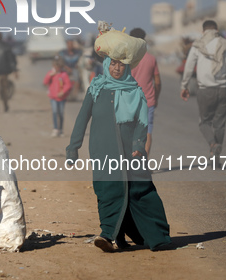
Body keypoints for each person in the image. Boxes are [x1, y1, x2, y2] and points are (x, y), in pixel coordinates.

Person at [66, 45, 171, 252]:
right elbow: (82, 119)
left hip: (130, 151)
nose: (117, 68)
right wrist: (73, 148)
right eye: (113, 64)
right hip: (103, 149)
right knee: (107, 190)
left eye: (121, 65)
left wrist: (139, 144)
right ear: (107, 64)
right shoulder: (96, 88)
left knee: (139, 192)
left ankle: (155, 235)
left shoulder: (135, 90)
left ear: (127, 68)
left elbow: (142, 121)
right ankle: (108, 234)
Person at [180, 20, 226, 159]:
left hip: (205, 90)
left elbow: (188, 67)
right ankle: (216, 156)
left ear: (203, 31)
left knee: (204, 122)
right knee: (220, 125)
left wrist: (184, 86)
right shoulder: (225, 45)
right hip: (223, 90)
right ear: (217, 30)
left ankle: (212, 145)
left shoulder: (198, 45)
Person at [129, 28, 161, 157]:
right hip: (148, 100)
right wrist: (156, 98)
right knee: (147, 132)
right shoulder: (151, 59)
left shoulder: (127, 58)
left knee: (130, 131)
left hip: (130, 101)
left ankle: (132, 161)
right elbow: (157, 82)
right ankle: (144, 163)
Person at [44, 56, 72, 137]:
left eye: (58, 66)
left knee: (61, 113)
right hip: (53, 97)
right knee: (55, 112)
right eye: (55, 66)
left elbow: (68, 85)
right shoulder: (51, 73)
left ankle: (61, 129)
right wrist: (50, 75)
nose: (56, 68)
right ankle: (55, 129)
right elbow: (45, 82)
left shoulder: (64, 74)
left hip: (62, 98)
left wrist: (63, 92)